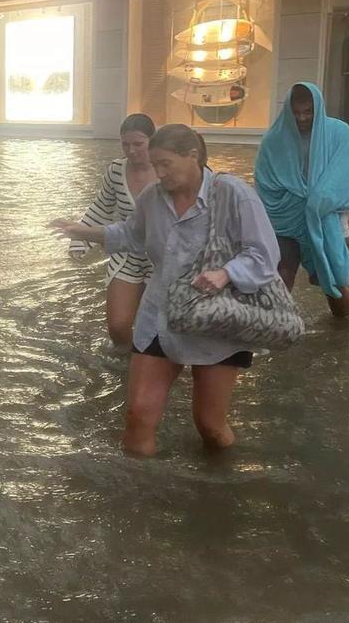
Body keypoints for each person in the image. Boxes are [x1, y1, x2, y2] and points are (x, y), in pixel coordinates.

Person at [50, 125, 281, 457]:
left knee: (210, 426)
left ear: (193, 156)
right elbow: (131, 235)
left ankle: (219, 490)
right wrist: (83, 232)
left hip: (219, 319)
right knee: (138, 416)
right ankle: (138, 501)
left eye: (165, 164)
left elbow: (264, 255)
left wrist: (226, 273)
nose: (158, 173)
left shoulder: (233, 193)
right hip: (162, 315)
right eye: (154, 165)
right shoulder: (153, 198)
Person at [254, 82, 349, 318]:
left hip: (327, 217)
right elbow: (264, 182)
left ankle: (343, 331)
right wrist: (300, 199)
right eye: (296, 113)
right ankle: (275, 330)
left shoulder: (338, 133)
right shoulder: (274, 139)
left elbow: (348, 173)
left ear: (318, 108)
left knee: (334, 285)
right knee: (281, 275)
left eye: (308, 112)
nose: (302, 118)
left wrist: (318, 199)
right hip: (284, 220)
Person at [68, 114, 158, 349]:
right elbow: (102, 206)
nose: (131, 151)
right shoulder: (117, 170)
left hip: (162, 257)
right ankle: (129, 364)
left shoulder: (166, 169)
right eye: (125, 144)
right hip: (126, 252)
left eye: (138, 144)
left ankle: (152, 365)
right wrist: (80, 238)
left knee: (156, 327)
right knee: (118, 326)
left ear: (153, 140)